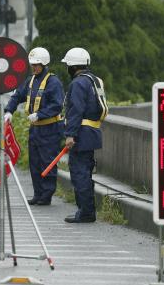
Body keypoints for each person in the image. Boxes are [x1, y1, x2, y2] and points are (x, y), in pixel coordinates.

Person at [4, 47, 64, 206]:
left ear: (44, 64)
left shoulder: (53, 82)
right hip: (35, 129)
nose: (34, 67)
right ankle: (38, 194)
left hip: (50, 129)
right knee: (35, 162)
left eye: (37, 64)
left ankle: (47, 194)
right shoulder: (31, 80)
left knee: (47, 161)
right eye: (32, 64)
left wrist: (40, 114)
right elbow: (17, 95)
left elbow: (57, 105)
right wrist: (9, 110)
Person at [61, 47, 108, 223]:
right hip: (92, 132)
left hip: (81, 134)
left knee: (79, 174)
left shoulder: (78, 83)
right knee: (85, 173)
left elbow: (75, 110)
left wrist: (70, 135)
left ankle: (86, 212)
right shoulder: (94, 80)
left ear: (72, 67)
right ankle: (87, 210)